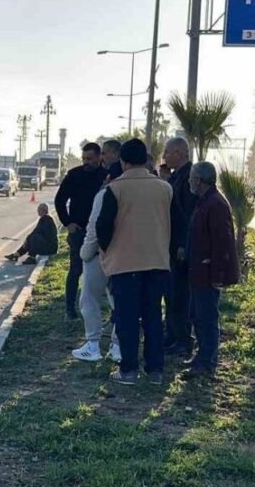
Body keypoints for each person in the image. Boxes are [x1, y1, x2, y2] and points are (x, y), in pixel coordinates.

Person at [94, 139, 176, 385]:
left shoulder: (115, 189)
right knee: (152, 316)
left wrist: (106, 252)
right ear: (145, 159)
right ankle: (155, 370)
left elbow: (103, 227)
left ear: (123, 161)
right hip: (157, 262)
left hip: (125, 263)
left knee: (127, 319)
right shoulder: (165, 188)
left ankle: (128, 370)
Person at [183, 162, 240, 380]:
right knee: (197, 315)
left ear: (199, 180)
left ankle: (207, 362)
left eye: (191, 178)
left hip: (207, 273)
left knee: (206, 318)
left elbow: (222, 242)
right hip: (198, 270)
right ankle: (201, 357)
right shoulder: (205, 201)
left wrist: (217, 275)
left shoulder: (215, 204)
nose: (189, 182)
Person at [54, 142, 108, 320]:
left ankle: (104, 311)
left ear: (100, 157)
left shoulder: (106, 176)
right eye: (84, 158)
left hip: (102, 231)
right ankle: (70, 309)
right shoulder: (74, 175)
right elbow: (60, 200)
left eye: (90, 159)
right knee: (75, 269)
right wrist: (68, 222)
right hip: (79, 230)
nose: (86, 162)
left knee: (106, 270)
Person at [72, 184, 122, 364]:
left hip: (98, 255)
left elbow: (94, 227)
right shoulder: (136, 193)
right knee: (120, 302)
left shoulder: (105, 194)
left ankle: (93, 345)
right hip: (124, 256)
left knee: (89, 299)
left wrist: (85, 252)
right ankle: (117, 346)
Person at [162, 137, 198, 358]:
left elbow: (187, 215)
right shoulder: (176, 176)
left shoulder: (188, 177)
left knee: (179, 296)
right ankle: (172, 335)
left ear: (178, 153)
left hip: (180, 247)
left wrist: (183, 245)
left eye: (167, 152)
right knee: (171, 294)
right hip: (171, 245)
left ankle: (183, 340)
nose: (164, 156)